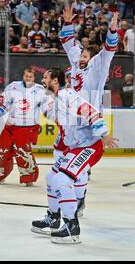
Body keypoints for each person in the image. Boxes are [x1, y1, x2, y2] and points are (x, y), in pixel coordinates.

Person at [31, 68, 118, 244]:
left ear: (55, 81)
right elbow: (53, 115)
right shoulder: (56, 99)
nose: (42, 79)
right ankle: (53, 218)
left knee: (61, 181)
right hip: (75, 147)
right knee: (51, 177)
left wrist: (104, 134)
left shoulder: (69, 98)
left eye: (45, 77)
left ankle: (72, 226)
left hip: (89, 146)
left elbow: (92, 112)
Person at [49, 8, 118, 217]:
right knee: (59, 159)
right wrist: (67, 23)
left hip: (89, 123)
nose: (80, 57)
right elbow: (69, 43)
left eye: (85, 54)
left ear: (92, 57)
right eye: (81, 54)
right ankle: (61, 199)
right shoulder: (77, 64)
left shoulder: (98, 66)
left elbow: (109, 49)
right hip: (71, 122)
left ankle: (77, 201)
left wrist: (112, 31)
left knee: (78, 169)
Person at [0, 68, 45, 186]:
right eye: (26, 76)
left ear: (34, 78)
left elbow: (48, 106)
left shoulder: (40, 90)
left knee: (23, 153)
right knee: (1, 151)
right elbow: (3, 101)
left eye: (30, 77)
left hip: (26, 127)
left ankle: (28, 177)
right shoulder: (13, 86)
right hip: (10, 126)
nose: (28, 78)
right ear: (23, 76)